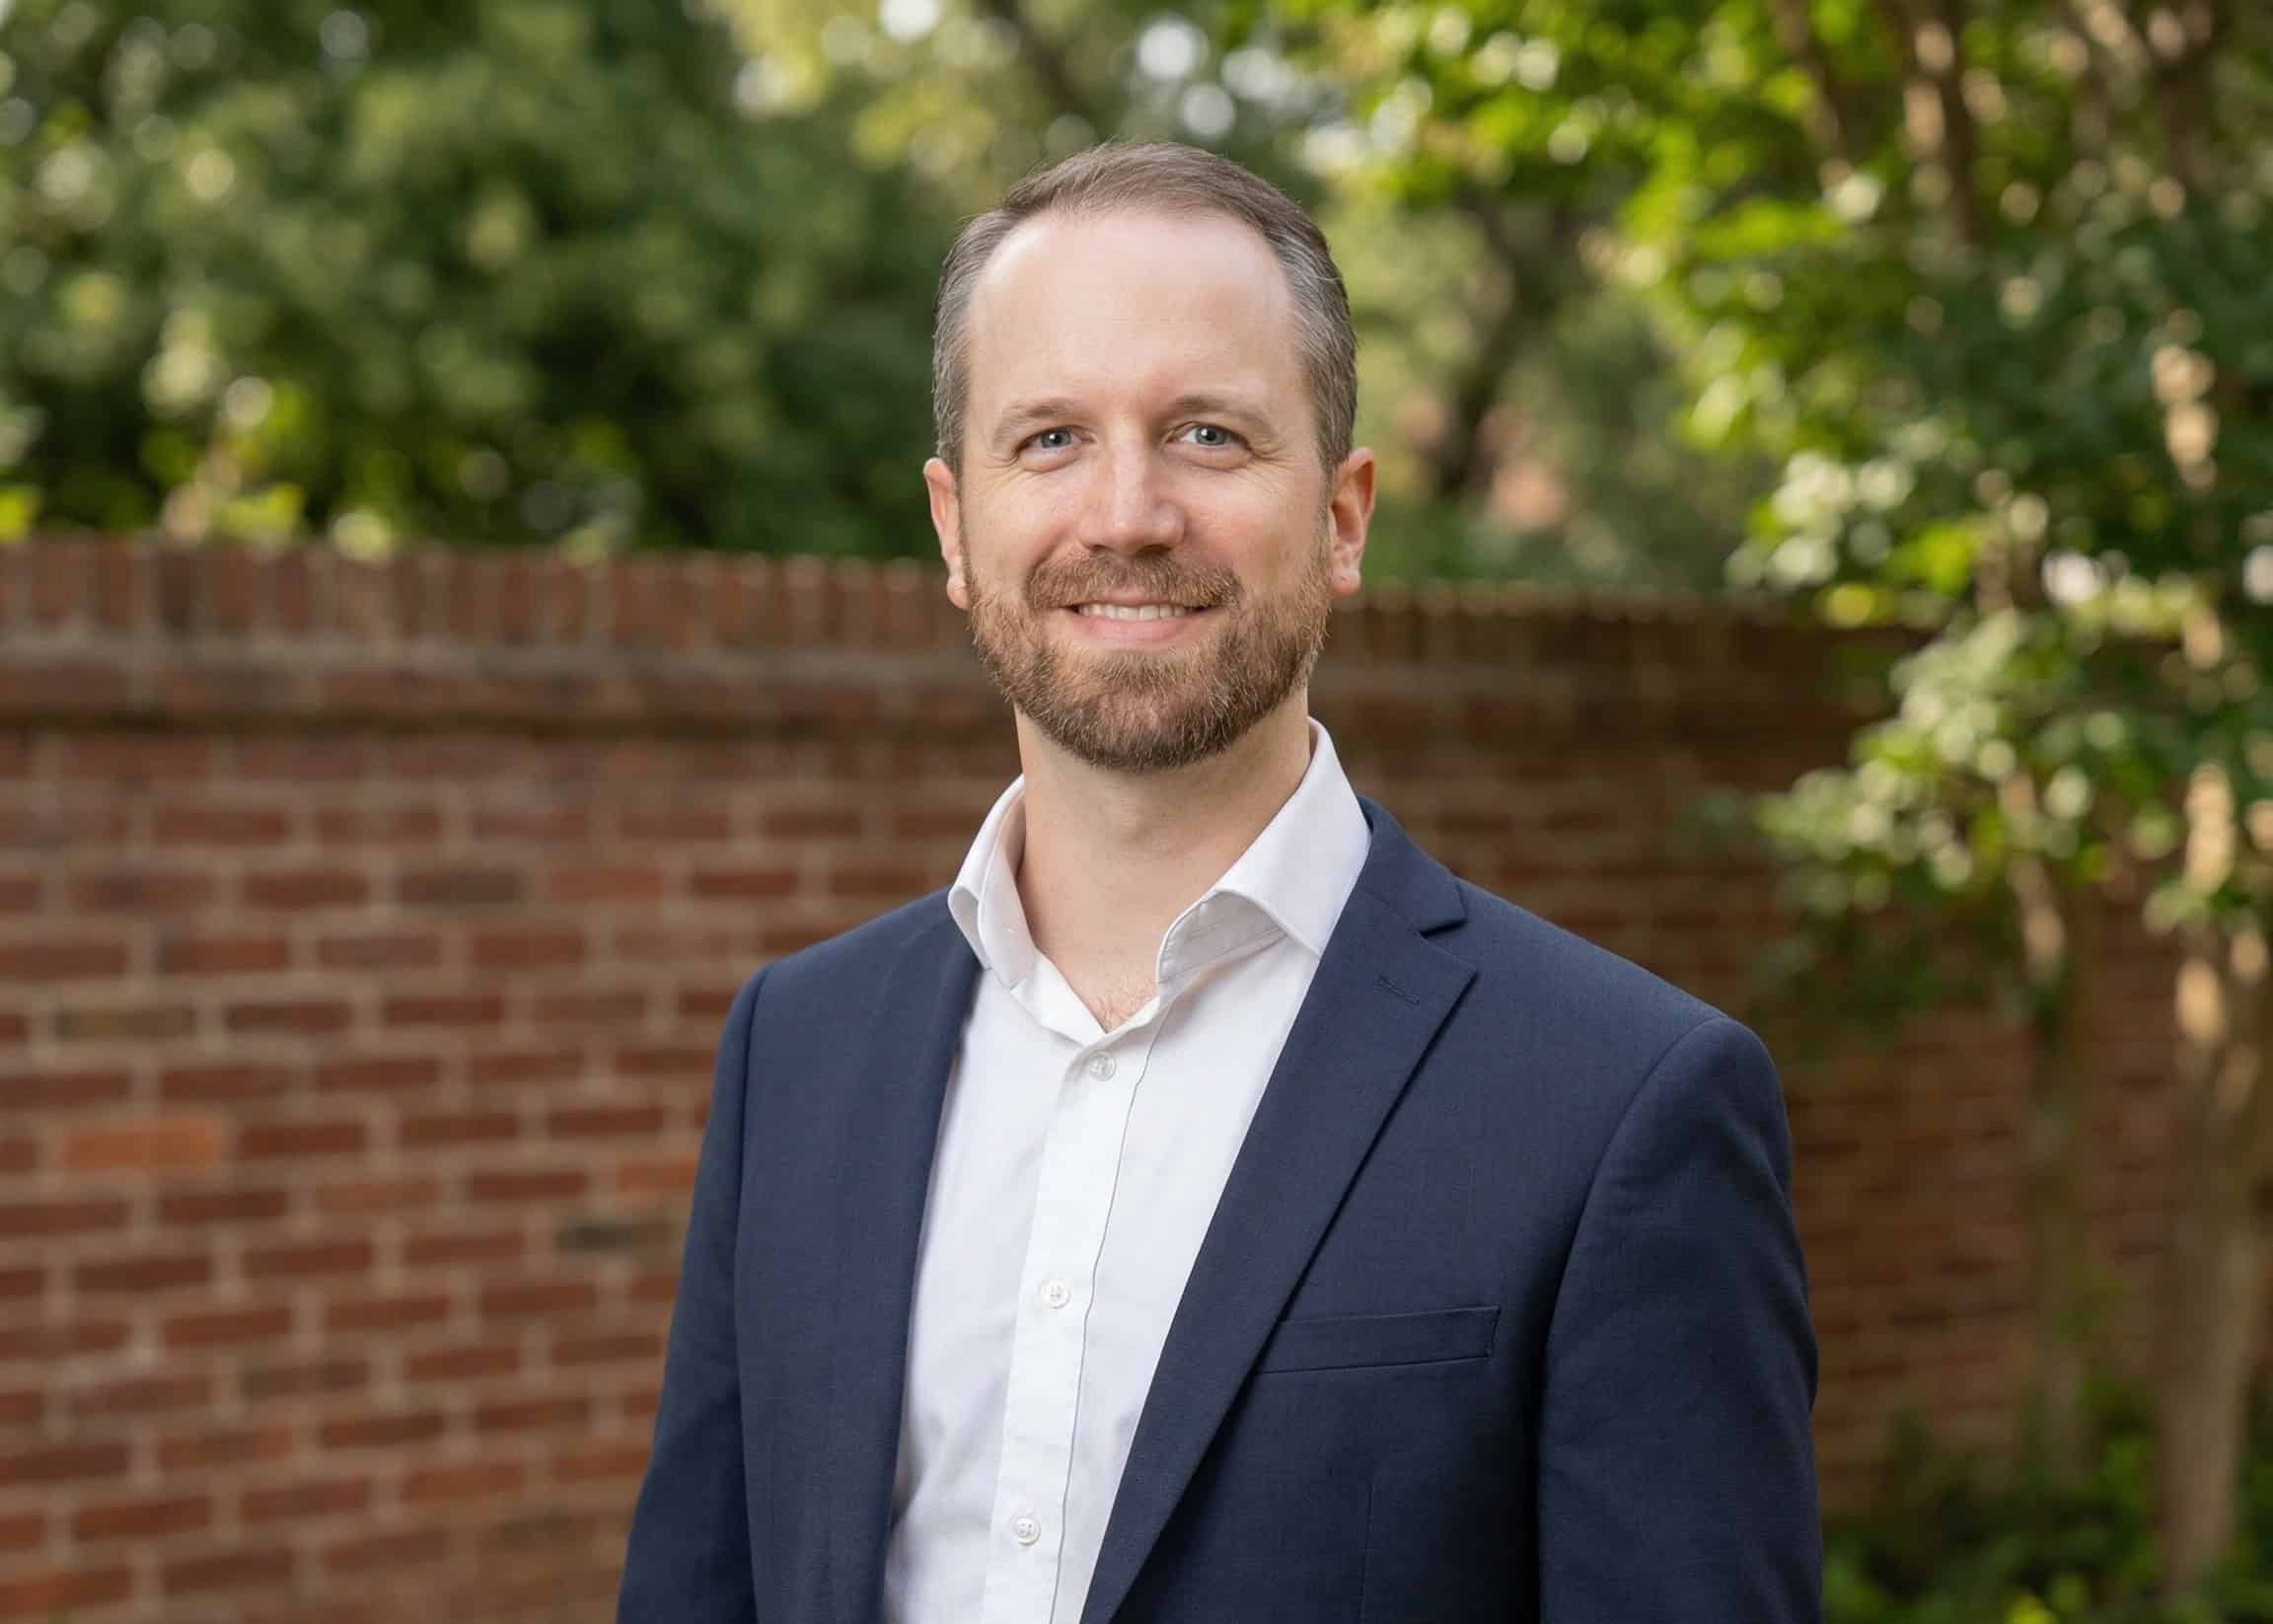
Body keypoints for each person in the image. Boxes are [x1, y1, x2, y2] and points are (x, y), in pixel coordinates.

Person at [617, 139, 1819, 1624]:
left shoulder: (1624, 1100)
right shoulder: (797, 1051)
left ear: (1343, 517)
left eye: (1207, 434)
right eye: (1049, 439)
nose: (1127, 513)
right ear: (953, 524)